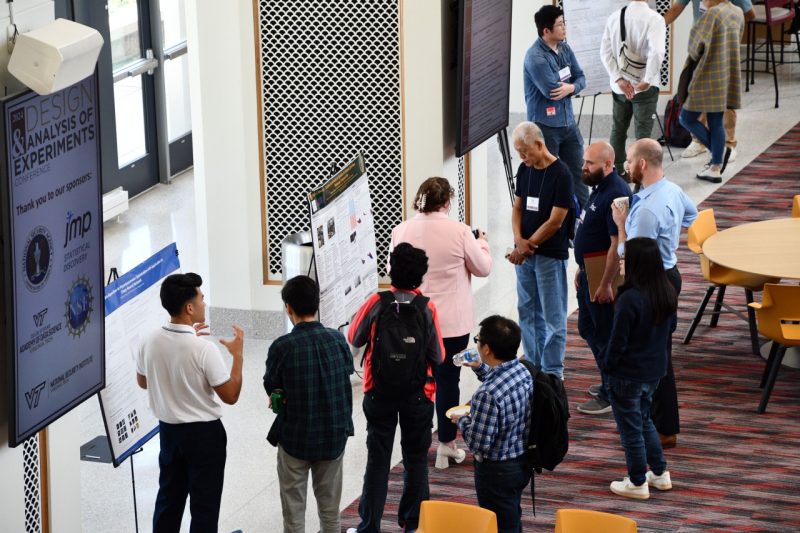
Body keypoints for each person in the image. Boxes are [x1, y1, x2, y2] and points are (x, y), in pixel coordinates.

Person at [390, 177, 492, 470]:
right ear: (447, 201)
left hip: (413, 320)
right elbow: (482, 268)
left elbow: (392, 270)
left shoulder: (401, 230)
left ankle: (416, 439)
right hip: (452, 324)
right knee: (448, 381)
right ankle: (446, 444)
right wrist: (482, 242)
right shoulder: (460, 232)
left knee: (418, 380)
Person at [346, 243, 444, 533]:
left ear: (390, 271)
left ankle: (370, 526)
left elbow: (354, 336)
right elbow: (438, 354)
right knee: (416, 461)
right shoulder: (427, 308)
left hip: (379, 391)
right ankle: (413, 524)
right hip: (418, 394)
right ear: (421, 277)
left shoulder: (377, 302)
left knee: (378, 460)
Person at [135, 273, 244, 533]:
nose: (205, 302)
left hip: (169, 433)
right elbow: (230, 396)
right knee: (204, 507)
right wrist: (237, 356)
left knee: (169, 502)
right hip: (204, 437)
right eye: (201, 298)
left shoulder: (149, 340)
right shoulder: (203, 350)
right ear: (189, 308)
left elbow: (143, 382)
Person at [612, 138, 697, 449]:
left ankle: (663, 427)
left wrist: (621, 224)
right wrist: (669, 238)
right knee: (660, 351)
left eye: (629, 160)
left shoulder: (646, 209)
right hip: (669, 276)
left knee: (655, 356)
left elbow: (632, 255)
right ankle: (660, 423)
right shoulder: (671, 190)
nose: (626, 166)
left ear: (642, 164)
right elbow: (692, 215)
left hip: (649, 282)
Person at [263, 275, 354, 533]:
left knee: (294, 516)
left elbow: (272, 384)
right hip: (333, 437)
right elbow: (346, 373)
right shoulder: (338, 340)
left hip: (295, 439)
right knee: (330, 513)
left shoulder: (282, 346)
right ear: (317, 305)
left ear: (288, 307)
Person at [603, 237, 676, 500]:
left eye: (625, 259)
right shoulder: (666, 291)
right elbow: (671, 329)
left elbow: (617, 342)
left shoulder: (629, 299)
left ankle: (637, 481)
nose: (621, 262)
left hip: (627, 374)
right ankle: (658, 473)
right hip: (654, 371)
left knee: (631, 430)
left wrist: (607, 367)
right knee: (644, 421)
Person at [450, 315, 533, 533]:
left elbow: (479, 445)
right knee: (511, 515)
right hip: (521, 460)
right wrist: (480, 368)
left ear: (486, 349)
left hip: (496, 471)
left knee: (499, 525)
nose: (476, 345)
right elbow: (501, 381)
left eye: (477, 340)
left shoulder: (487, 395)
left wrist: (462, 420)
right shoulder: (523, 370)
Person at [508, 121, 574, 379]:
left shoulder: (562, 175)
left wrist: (525, 247)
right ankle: (534, 366)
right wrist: (518, 240)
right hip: (525, 254)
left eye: (524, 151)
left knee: (553, 318)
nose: (522, 157)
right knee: (527, 310)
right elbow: (517, 208)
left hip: (549, 256)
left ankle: (553, 373)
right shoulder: (525, 170)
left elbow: (555, 221)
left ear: (539, 144)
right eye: (518, 152)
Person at [573, 141, 631, 416]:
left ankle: (612, 391)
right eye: (584, 161)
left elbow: (616, 244)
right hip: (589, 272)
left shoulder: (616, 194)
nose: (584, 167)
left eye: (589, 163)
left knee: (605, 334)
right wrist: (581, 268)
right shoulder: (599, 188)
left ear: (608, 164)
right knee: (588, 329)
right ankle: (609, 381)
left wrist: (605, 282)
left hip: (602, 277)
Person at [665, 0, 754, 166]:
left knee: (725, 103)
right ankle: (701, 143)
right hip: (701, 48)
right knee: (700, 98)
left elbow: (749, 14)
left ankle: (728, 144)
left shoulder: (725, 11)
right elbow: (677, 7)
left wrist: (725, 30)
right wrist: (656, 26)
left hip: (722, 51)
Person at [524, 4, 589, 209]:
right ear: (546, 31)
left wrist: (570, 87)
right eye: (560, 25)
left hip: (568, 123)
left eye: (564, 23)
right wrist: (571, 86)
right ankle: (546, 218)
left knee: (579, 171)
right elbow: (551, 90)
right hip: (546, 127)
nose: (564, 28)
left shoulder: (565, 48)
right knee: (546, 175)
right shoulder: (535, 58)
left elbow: (581, 78)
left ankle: (585, 218)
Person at [678, 0, 744, 183]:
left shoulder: (712, 15)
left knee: (686, 117)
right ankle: (715, 167)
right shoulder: (737, 12)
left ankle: (719, 152)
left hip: (706, 76)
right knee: (716, 122)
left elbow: (694, 47)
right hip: (726, 75)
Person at [600, 0, 666, 177]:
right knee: (643, 136)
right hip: (644, 89)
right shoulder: (655, 19)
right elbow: (657, 53)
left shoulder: (615, 17)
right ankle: (639, 178)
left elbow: (605, 52)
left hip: (620, 88)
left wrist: (619, 79)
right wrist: (647, 79)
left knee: (618, 129)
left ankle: (616, 172)